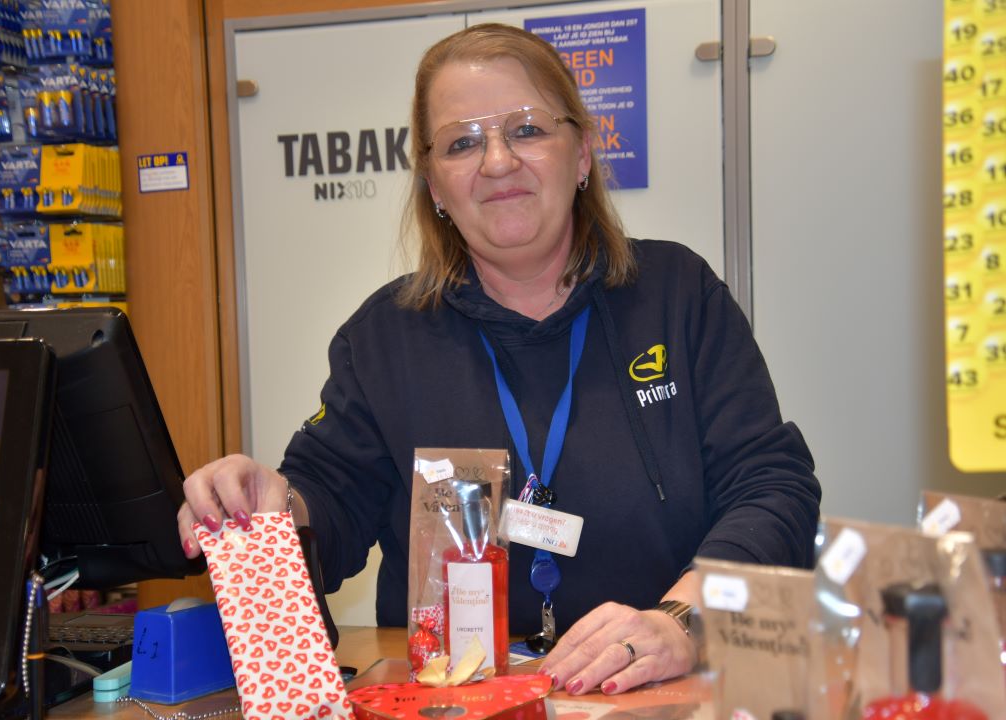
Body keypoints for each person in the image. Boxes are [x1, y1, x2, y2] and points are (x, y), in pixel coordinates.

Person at [178, 23, 820, 696]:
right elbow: (330, 503)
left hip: (658, 692)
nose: (497, 161)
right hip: (456, 699)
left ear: (581, 155)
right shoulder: (383, 339)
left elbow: (775, 491)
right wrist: (275, 507)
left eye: (526, 130)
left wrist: (681, 620)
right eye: (462, 142)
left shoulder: (677, 296)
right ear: (433, 185)